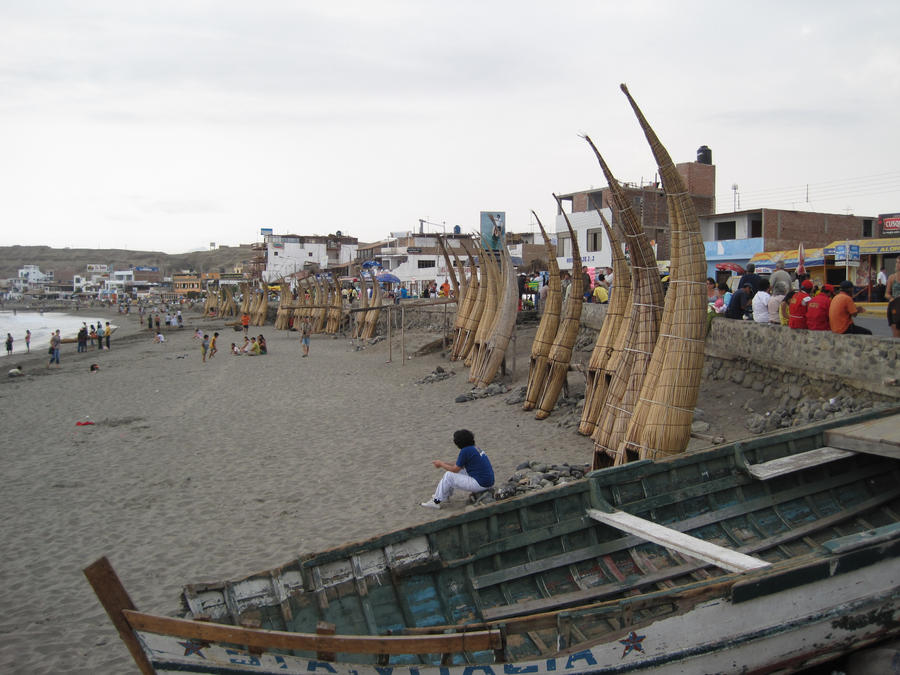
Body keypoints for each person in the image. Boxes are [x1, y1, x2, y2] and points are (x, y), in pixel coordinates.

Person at [421, 429, 494, 509]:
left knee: (449, 475)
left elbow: (455, 469)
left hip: (481, 484)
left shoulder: (465, 451)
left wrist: (441, 464)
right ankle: (444, 495)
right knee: (456, 473)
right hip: (487, 482)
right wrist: (443, 463)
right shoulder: (475, 448)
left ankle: (435, 502)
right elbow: (459, 465)